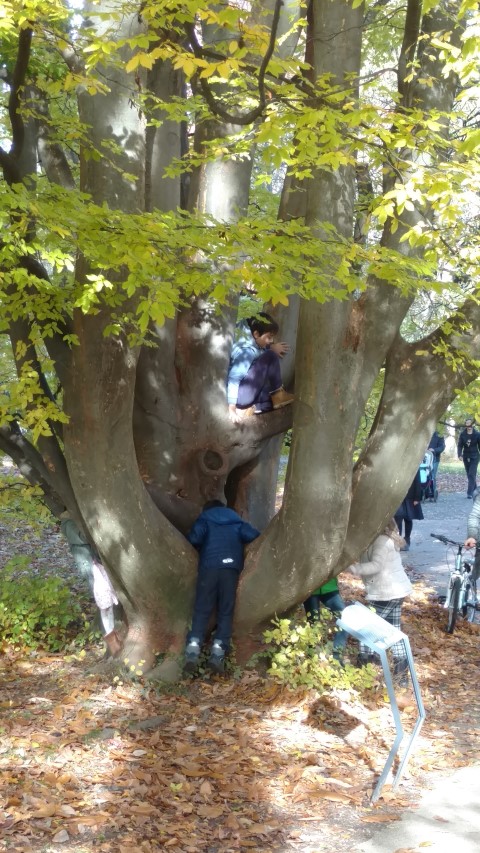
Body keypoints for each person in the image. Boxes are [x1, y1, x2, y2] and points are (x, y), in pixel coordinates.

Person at [184, 500, 260, 674]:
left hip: (209, 569)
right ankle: (217, 654)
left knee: (202, 609)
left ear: (207, 509)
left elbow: (194, 538)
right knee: (225, 611)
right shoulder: (237, 521)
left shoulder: (205, 519)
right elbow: (254, 535)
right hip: (230, 570)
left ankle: (192, 651)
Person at [348, 519, 412, 685]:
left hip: (386, 593)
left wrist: (355, 569)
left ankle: (364, 668)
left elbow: (376, 565)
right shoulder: (383, 538)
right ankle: (401, 676)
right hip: (394, 591)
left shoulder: (381, 541)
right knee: (394, 631)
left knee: (367, 629)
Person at [60, 512, 122, 657]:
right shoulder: (68, 524)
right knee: (104, 601)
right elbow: (83, 537)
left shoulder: (70, 523)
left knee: (107, 599)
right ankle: (111, 639)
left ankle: (112, 635)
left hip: (94, 564)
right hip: (91, 566)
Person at [227, 312, 294, 421]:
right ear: (256, 334)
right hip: (241, 396)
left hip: (244, 397)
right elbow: (234, 378)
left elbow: (257, 346)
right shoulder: (246, 352)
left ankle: (251, 408)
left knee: (270, 400)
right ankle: (279, 394)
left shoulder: (245, 337)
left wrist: (270, 347)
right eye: (269, 337)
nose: (271, 341)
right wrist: (232, 408)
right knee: (270, 356)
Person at [303, 577, 347, 662]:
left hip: (329, 586)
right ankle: (311, 657)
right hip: (311, 588)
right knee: (313, 623)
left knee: (345, 617)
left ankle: (337, 657)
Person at [394, 470, 424, 552]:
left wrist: (417, 497)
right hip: (398, 494)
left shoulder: (415, 466)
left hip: (410, 495)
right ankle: (398, 540)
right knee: (398, 517)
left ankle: (407, 540)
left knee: (408, 518)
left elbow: (417, 481)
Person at [457, 418, 480, 498]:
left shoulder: (477, 434)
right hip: (466, 456)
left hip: (475, 456)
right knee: (469, 475)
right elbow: (460, 445)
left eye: (470, 423)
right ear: (465, 425)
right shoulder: (462, 434)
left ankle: (469, 493)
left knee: (471, 474)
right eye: (467, 423)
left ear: (472, 425)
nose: (469, 425)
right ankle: (475, 490)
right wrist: (459, 454)